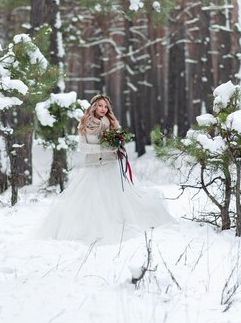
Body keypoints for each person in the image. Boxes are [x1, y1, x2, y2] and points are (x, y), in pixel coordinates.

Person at [37, 94, 175, 245]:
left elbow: (117, 146)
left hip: (111, 168)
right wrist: (102, 147)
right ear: (93, 106)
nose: (103, 109)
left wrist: (116, 146)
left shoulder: (112, 124)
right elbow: (83, 147)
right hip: (92, 168)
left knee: (117, 201)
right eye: (100, 105)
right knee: (88, 202)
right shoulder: (84, 124)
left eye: (106, 106)